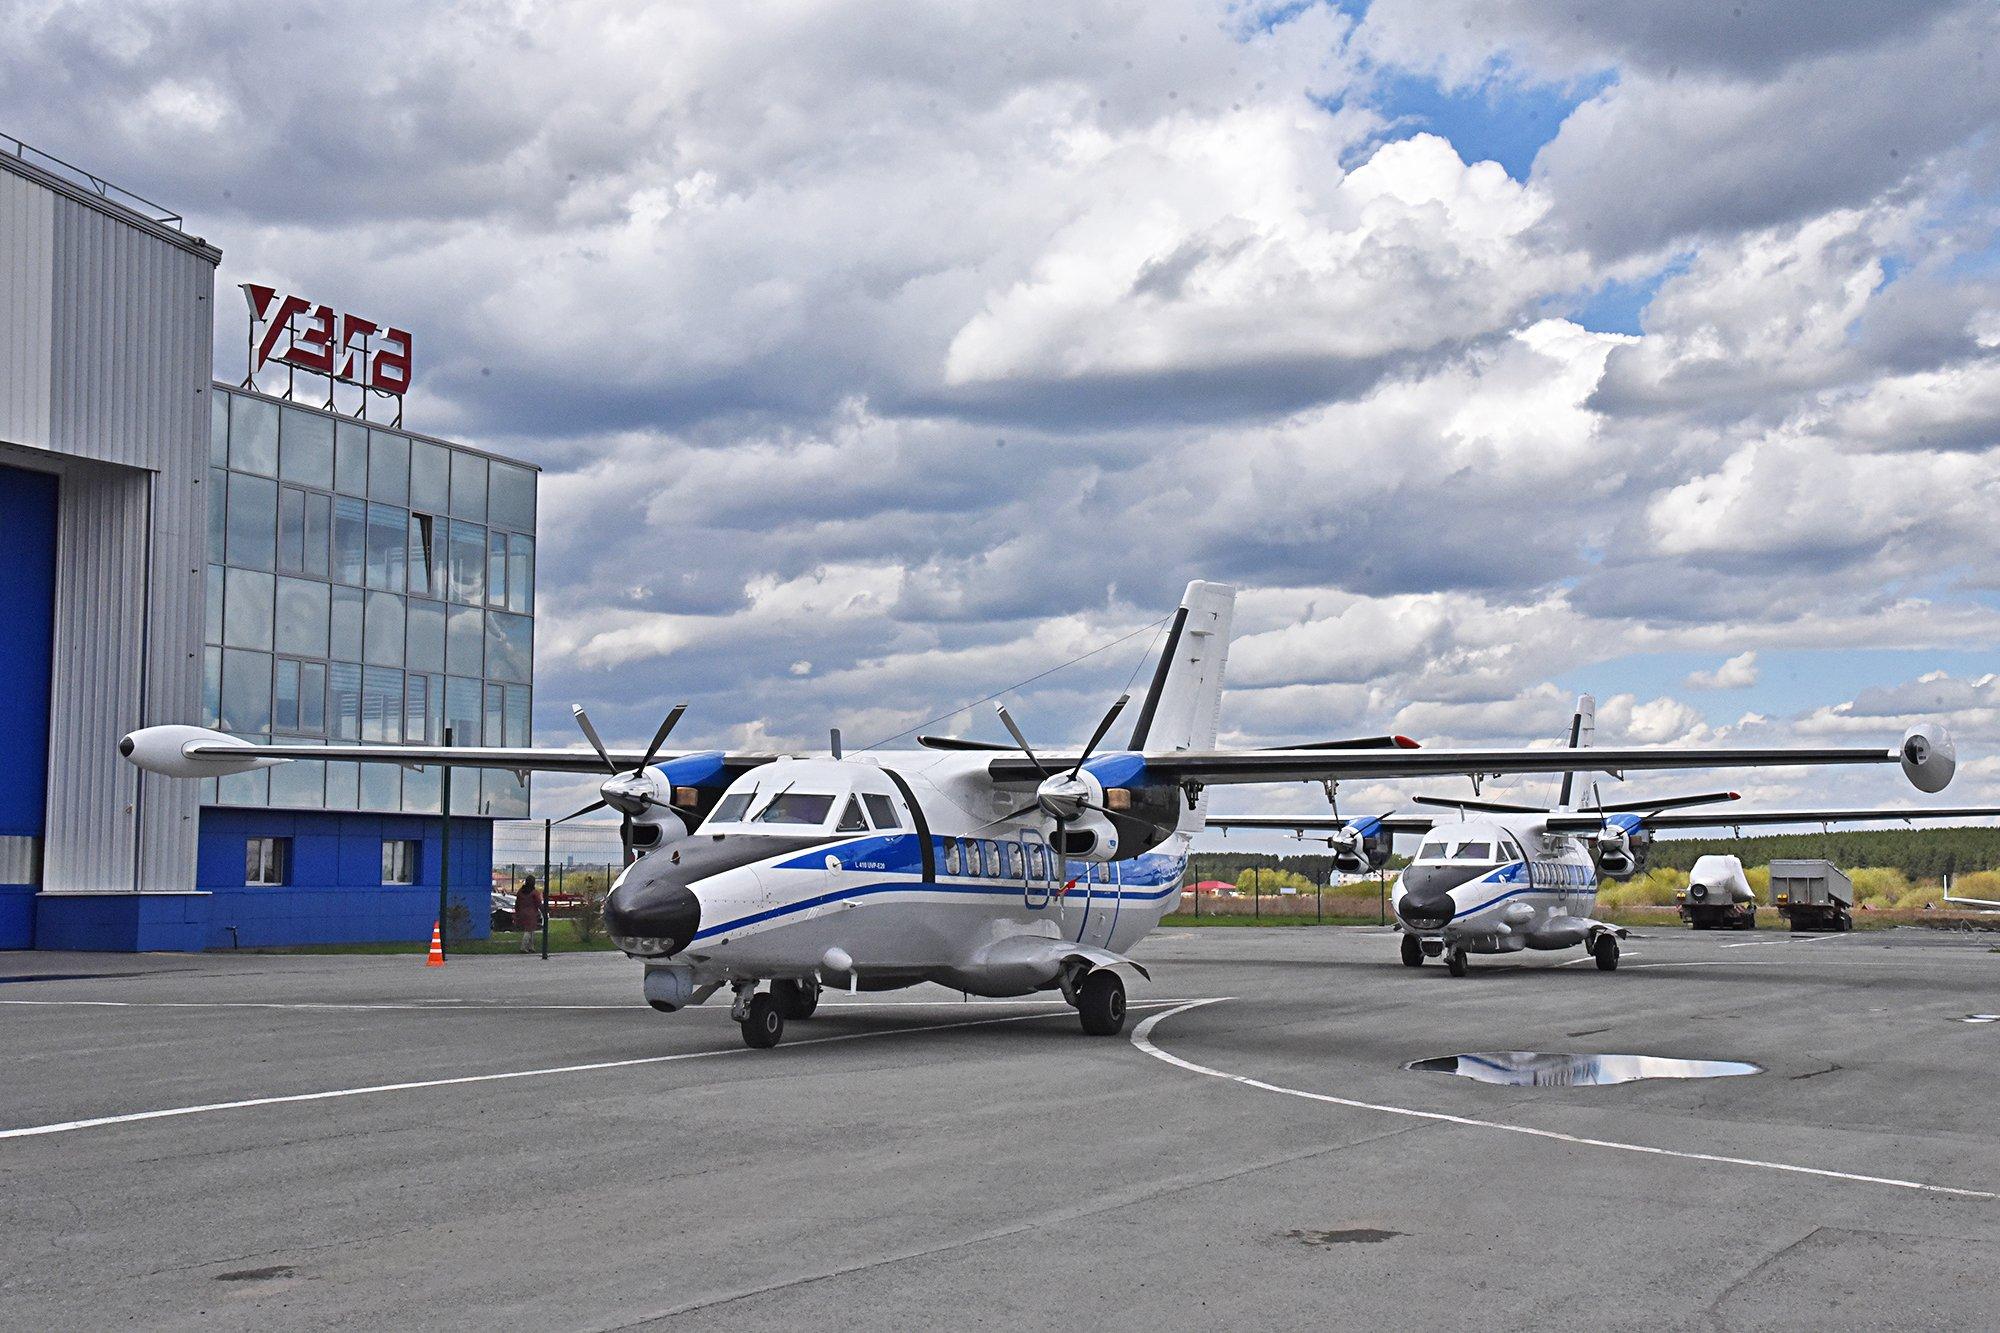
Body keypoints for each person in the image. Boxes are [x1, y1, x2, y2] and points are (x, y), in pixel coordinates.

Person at [515, 874, 543, 952]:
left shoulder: (520, 891)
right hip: (531, 913)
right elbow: (539, 903)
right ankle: (523, 947)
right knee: (529, 930)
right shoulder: (534, 892)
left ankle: (531, 947)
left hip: (522, 912)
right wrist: (543, 911)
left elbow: (517, 902)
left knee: (531, 930)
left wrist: (517, 912)